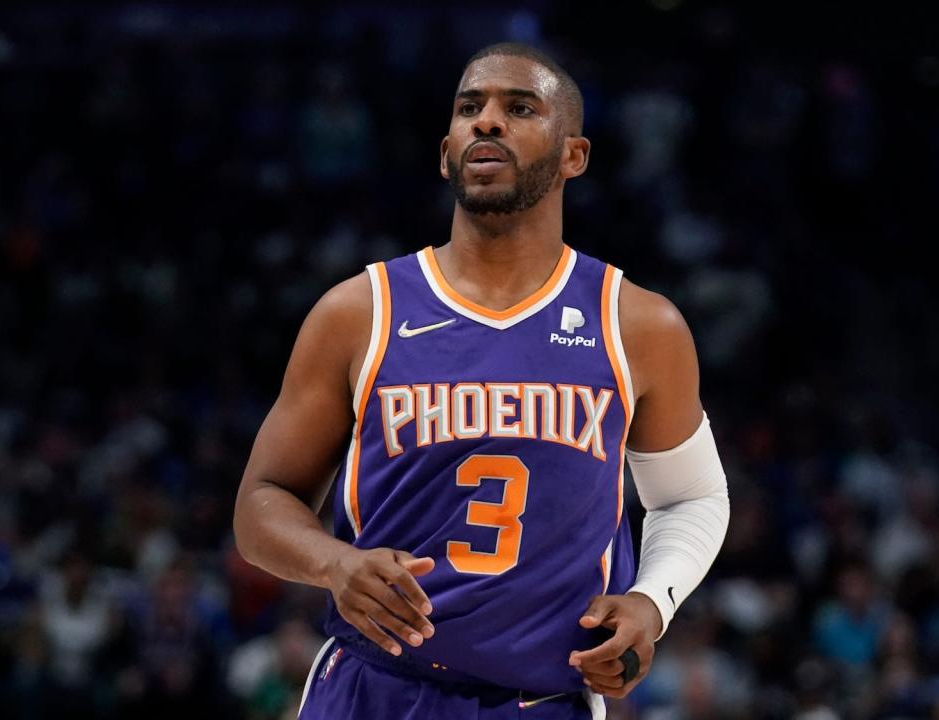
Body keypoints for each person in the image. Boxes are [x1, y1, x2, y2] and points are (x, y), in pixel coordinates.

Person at [233, 42, 730, 719]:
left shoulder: (638, 324)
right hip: (372, 689)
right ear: (446, 153)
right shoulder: (360, 312)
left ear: (573, 156)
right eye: (470, 109)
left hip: (543, 699)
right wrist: (333, 564)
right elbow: (262, 501)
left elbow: (692, 497)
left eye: (519, 108)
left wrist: (654, 599)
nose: (487, 122)